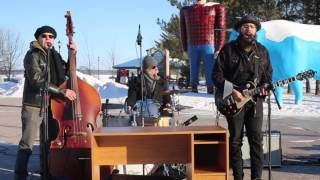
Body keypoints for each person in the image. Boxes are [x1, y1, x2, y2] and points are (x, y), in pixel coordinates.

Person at [212, 16, 273, 180]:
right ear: (239, 30)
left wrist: (266, 88)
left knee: (256, 142)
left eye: (252, 27)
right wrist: (232, 90)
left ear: (256, 31)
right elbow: (216, 76)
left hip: (255, 103)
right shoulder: (228, 50)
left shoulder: (262, 51)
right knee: (235, 141)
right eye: (245, 26)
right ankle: (238, 177)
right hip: (234, 102)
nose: (249, 29)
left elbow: (268, 77)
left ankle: (256, 178)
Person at [14, 25, 77, 180]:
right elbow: (37, 80)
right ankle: (19, 176)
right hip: (34, 106)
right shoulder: (33, 55)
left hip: (52, 105)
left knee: (48, 143)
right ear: (38, 38)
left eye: (51, 36)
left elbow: (66, 71)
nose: (48, 39)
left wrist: (73, 54)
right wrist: (62, 92)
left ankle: (46, 173)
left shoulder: (53, 55)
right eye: (44, 36)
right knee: (27, 144)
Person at [180, 0, 226, 93]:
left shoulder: (216, 8)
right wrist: (184, 48)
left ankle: (211, 87)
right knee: (193, 67)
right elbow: (183, 31)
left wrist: (219, 47)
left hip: (209, 43)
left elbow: (221, 29)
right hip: (192, 44)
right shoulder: (185, 10)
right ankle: (193, 87)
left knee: (210, 66)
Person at [125, 55, 172, 123]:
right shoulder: (136, 81)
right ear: (147, 69)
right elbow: (132, 97)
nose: (156, 68)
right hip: (141, 115)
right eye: (154, 67)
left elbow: (167, 96)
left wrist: (168, 104)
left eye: (156, 66)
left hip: (159, 115)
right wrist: (129, 105)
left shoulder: (162, 82)